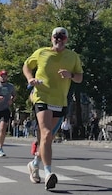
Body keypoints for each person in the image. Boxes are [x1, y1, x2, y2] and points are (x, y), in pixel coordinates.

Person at [23, 26, 83, 190]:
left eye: (62, 37)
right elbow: (26, 66)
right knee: (46, 133)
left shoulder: (73, 57)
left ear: (66, 40)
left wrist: (70, 75)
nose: (58, 39)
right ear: (51, 39)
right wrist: (30, 79)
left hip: (60, 101)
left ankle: (34, 164)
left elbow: (79, 77)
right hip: (42, 96)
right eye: (56, 37)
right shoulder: (41, 52)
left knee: (47, 139)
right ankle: (48, 173)